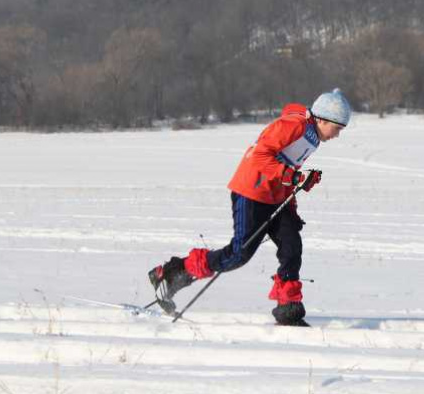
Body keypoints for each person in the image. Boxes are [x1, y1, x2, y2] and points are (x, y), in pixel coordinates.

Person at [148, 88, 351, 326]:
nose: (337, 135)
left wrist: (296, 191)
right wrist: (293, 177)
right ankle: (172, 273)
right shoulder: (293, 126)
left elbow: (287, 168)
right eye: (337, 128)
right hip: (252, 192)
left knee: (291, 245)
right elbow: (259, 156)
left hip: (274, 196)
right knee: (238, 254)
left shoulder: (312, 136)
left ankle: (289, 309)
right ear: (323, 119)